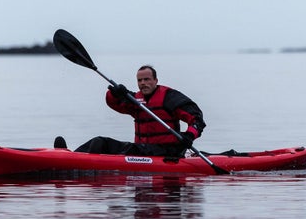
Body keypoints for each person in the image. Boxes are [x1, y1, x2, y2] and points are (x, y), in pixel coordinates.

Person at [71, 65, 206, 157]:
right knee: (99, 141)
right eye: (139, 80)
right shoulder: (136, 100)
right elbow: (115, 103)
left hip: (167, 151)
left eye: (146, 79)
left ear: (155, 80)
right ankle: (71, 155)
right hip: (143, 150)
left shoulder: (170, 97)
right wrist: (115, 93)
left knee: (119, 147)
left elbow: (197, 119)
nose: (142, 83)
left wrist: (189, 136)